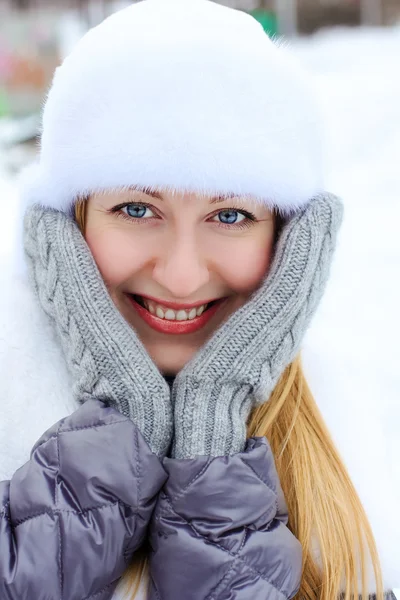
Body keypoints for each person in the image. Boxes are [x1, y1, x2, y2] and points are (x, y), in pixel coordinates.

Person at [0, 1, 397, 599]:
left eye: (230, 214)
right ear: (66, 226)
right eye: (137, 209)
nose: (182, 276)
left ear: (292, 244)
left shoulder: (368, 461)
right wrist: (114, 438)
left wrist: (214, 436)